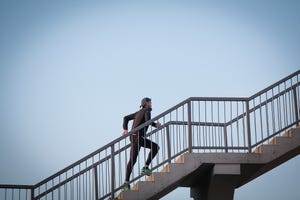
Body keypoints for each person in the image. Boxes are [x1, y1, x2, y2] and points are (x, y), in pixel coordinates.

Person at [122, 97, 161, 191]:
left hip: (134, 136)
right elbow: (148, 121)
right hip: (137, 137)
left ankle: (126, 183)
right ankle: (145, 167)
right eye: (150, 102)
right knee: (155, 147)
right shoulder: (147, 110)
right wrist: (156, 125)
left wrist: (125, 129)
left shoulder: (138, 113)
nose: (151, 104)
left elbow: (125, 118)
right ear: (147, 103)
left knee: (133, 160)